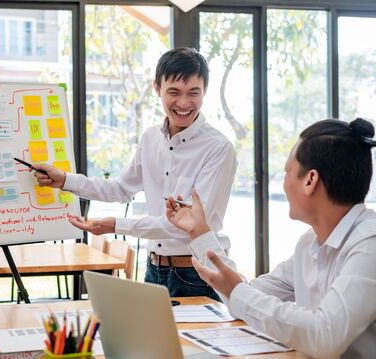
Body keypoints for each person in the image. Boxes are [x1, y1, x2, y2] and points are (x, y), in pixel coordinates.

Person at [33, 47, 237, 298]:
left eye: (193, 93)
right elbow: (120, 189)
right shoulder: (151, 138)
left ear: (205, 90)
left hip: (196, 274)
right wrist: (65, 180)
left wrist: (116, 225)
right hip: (154, 270)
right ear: (157, 88)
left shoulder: (219, 148)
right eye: (174, 92)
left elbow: (188, 225)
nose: (184, 103)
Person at [166, 118, 376, 358]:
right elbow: (245, 297)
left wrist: (238, 293)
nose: (284, 184)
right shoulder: (309, 244)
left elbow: (325, 337)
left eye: (287, 172)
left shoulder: (370, 243)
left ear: (310, 180)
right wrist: (199, 232)